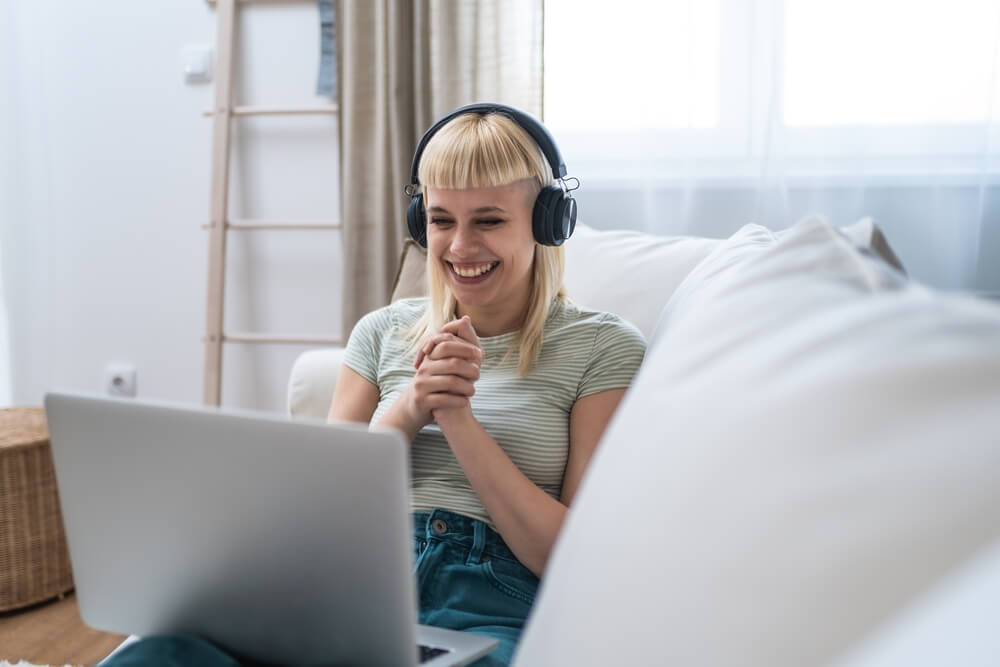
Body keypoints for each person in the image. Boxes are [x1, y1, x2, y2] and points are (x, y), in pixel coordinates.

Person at [100, 104, 645, 667]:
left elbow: (571, 557)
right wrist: (411, 405)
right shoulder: (382, 332)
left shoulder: (603, 348)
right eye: (440, 220)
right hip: (351, 585)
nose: (460, 247)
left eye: (488, 220)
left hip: (491, 600)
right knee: (159, 653)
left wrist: (458, 419)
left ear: (547, 221)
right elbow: (320, 511)